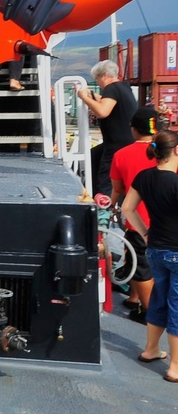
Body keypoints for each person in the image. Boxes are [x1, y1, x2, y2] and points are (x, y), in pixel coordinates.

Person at [121, 130, 178, 382]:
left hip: (155, 248)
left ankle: (151, 349)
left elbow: (127, 209)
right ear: (176, 151)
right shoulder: (176, 183)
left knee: (157, 298)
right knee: (176, 306)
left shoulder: (144, 177)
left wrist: (144, 233)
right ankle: (175, 366)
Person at [110, 106, 160, 323]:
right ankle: (133, 298)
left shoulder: (122, 155)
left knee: (140, 268)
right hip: (166, 220)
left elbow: (118, 189)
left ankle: (149, 312)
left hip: (138, 221)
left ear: (134, 130)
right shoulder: (168, 153)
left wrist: (111, 205)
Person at [78, 60, 138, 198]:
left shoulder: (111, 88)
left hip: (116, 144)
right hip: (126, 140)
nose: (98, 82)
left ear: (104, 75)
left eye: (97, 78)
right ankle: (93, 192)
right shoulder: (123, 87)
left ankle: (104, 205)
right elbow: (105, 100)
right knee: (93, 156)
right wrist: (91, 95)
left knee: (105, 177)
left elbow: (102, 111)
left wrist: (83, 98)